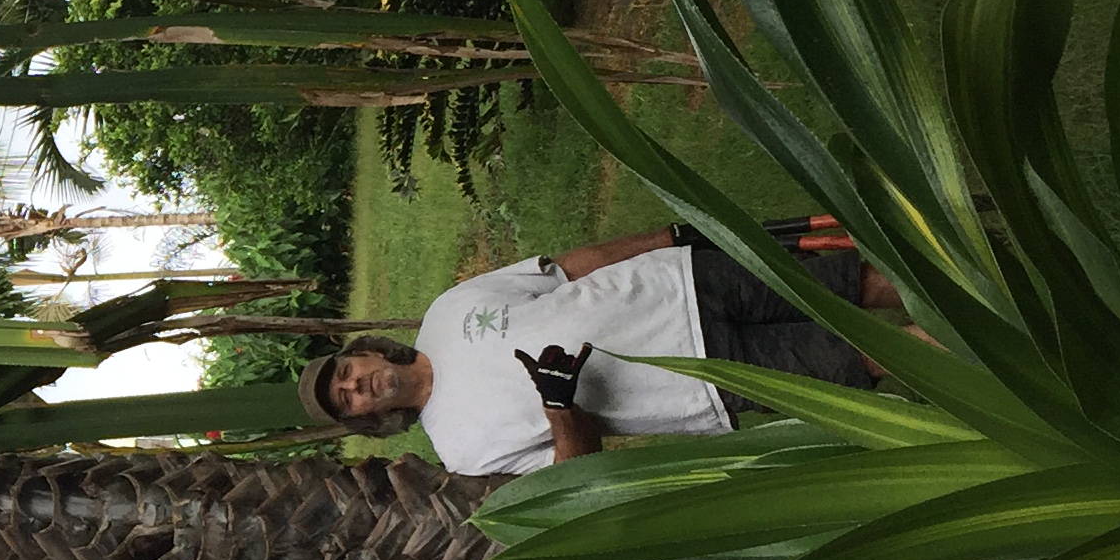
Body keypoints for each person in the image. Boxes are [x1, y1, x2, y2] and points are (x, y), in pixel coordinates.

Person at [298, 222, 904, 476]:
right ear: (368, 419)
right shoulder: (463, 450)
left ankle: (974, 284)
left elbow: (564, 270)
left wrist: (665, 237)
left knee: (851, 282)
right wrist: (562, 410)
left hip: (679, 280)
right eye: (347, 399)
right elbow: (573, 477)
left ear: (369, 353)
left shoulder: (445, 311)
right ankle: (975, 354)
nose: (356, 385)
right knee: (865, 358)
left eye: (348, 371)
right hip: (698, 378)